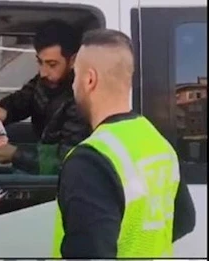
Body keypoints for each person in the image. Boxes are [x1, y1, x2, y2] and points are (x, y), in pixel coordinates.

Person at [52, 29, 196, 257]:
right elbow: (185, 220)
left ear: (89, 79)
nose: (72, 86)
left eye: (75, 76)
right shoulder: (157, 141)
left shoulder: (90, 161)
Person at [0, 20, 91, 174]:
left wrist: (14, 154)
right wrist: (2, 110)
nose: (43, 72)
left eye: (52, 64)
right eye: (40, 62)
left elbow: (67, 162)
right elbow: (23, 99)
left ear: (73, 61)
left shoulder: (80, 99)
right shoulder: (45, 81)